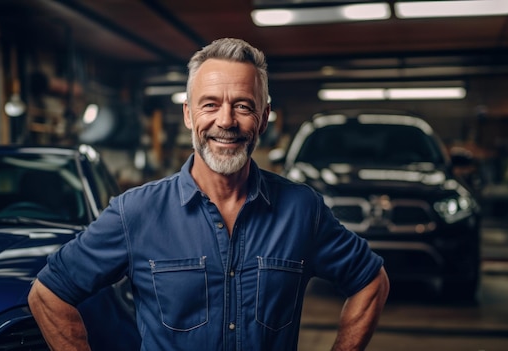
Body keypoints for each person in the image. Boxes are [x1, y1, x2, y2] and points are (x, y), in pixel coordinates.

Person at [28, 37, 390, 351]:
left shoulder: (301, 210)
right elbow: (48, 294)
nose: (226, 121)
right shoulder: (135, 213)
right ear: (189, 114)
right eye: (210, 104)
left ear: (263, 118)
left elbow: (371, 282)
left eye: (243, 106)